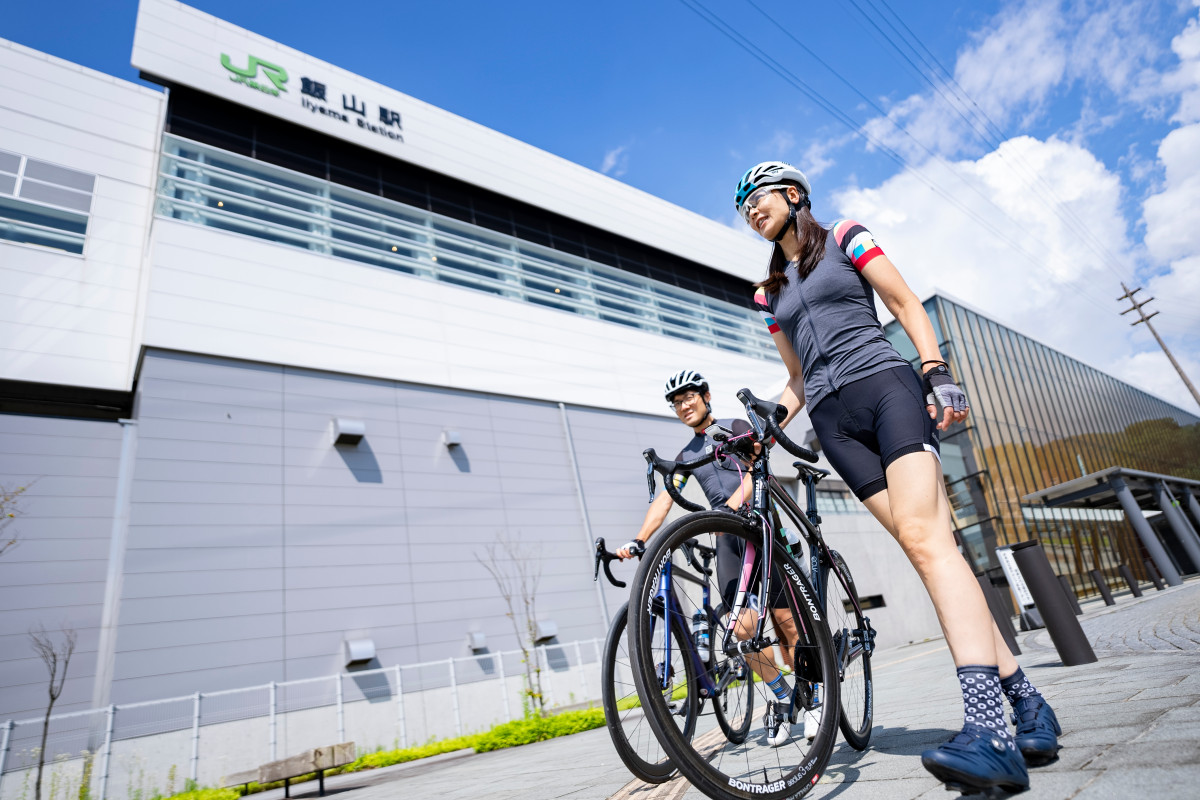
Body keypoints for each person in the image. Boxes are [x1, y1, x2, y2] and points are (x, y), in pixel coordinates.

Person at [735, 161, 1061, 794]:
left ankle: (990, 731)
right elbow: (798, 379)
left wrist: (936, 368)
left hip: (887, 389)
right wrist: (769, 423)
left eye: (759, 196)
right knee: (927, 550)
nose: (751, 209)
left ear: (793, 194)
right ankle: (1026, 702)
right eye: (742, 206)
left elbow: (905, 301)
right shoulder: (767, 294)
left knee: (929, 540)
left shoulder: (847, 237)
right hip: (835, 426)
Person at [617, 369, 816, 746]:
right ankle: (787, 698)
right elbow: (664, 500)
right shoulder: (685, 456)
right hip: (729, 539)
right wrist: (639, 538)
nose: (683, 406)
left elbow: (759, 469)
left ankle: (814, 698)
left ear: (706, 396)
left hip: (761, 528)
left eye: (688, 397)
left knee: (790, 628)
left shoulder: (736, 426)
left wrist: (733, 504)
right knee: (740, 632)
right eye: (676, 403)